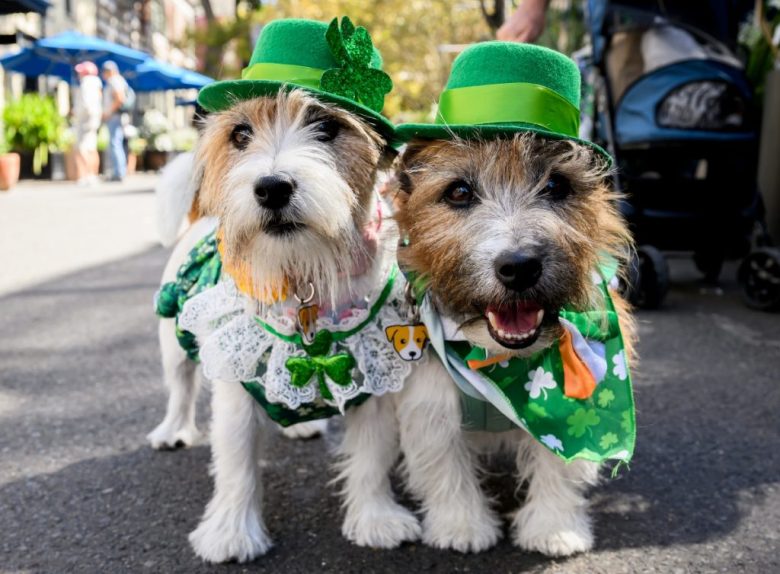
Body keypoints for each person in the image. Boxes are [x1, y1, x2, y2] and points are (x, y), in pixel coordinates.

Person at [73, 61, 102, 184]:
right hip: (94, 118)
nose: (78, 74)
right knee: (92, 147)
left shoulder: (86, 83)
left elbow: (85, 104)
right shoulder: (97, 84)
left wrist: (76, 112)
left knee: (82, 147)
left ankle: (87, 175)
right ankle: (93, 174)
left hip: (85, 119)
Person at [101, 60, 128, 182]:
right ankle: (118, 171)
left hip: (114, 116)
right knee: (116, 143)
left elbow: (119, 98)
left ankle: (118, 173)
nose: (103, 75)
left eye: (105, 72)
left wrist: (108, 113)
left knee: (114, 143)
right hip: (116, 116)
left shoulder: (115, 80)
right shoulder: (118, 80)